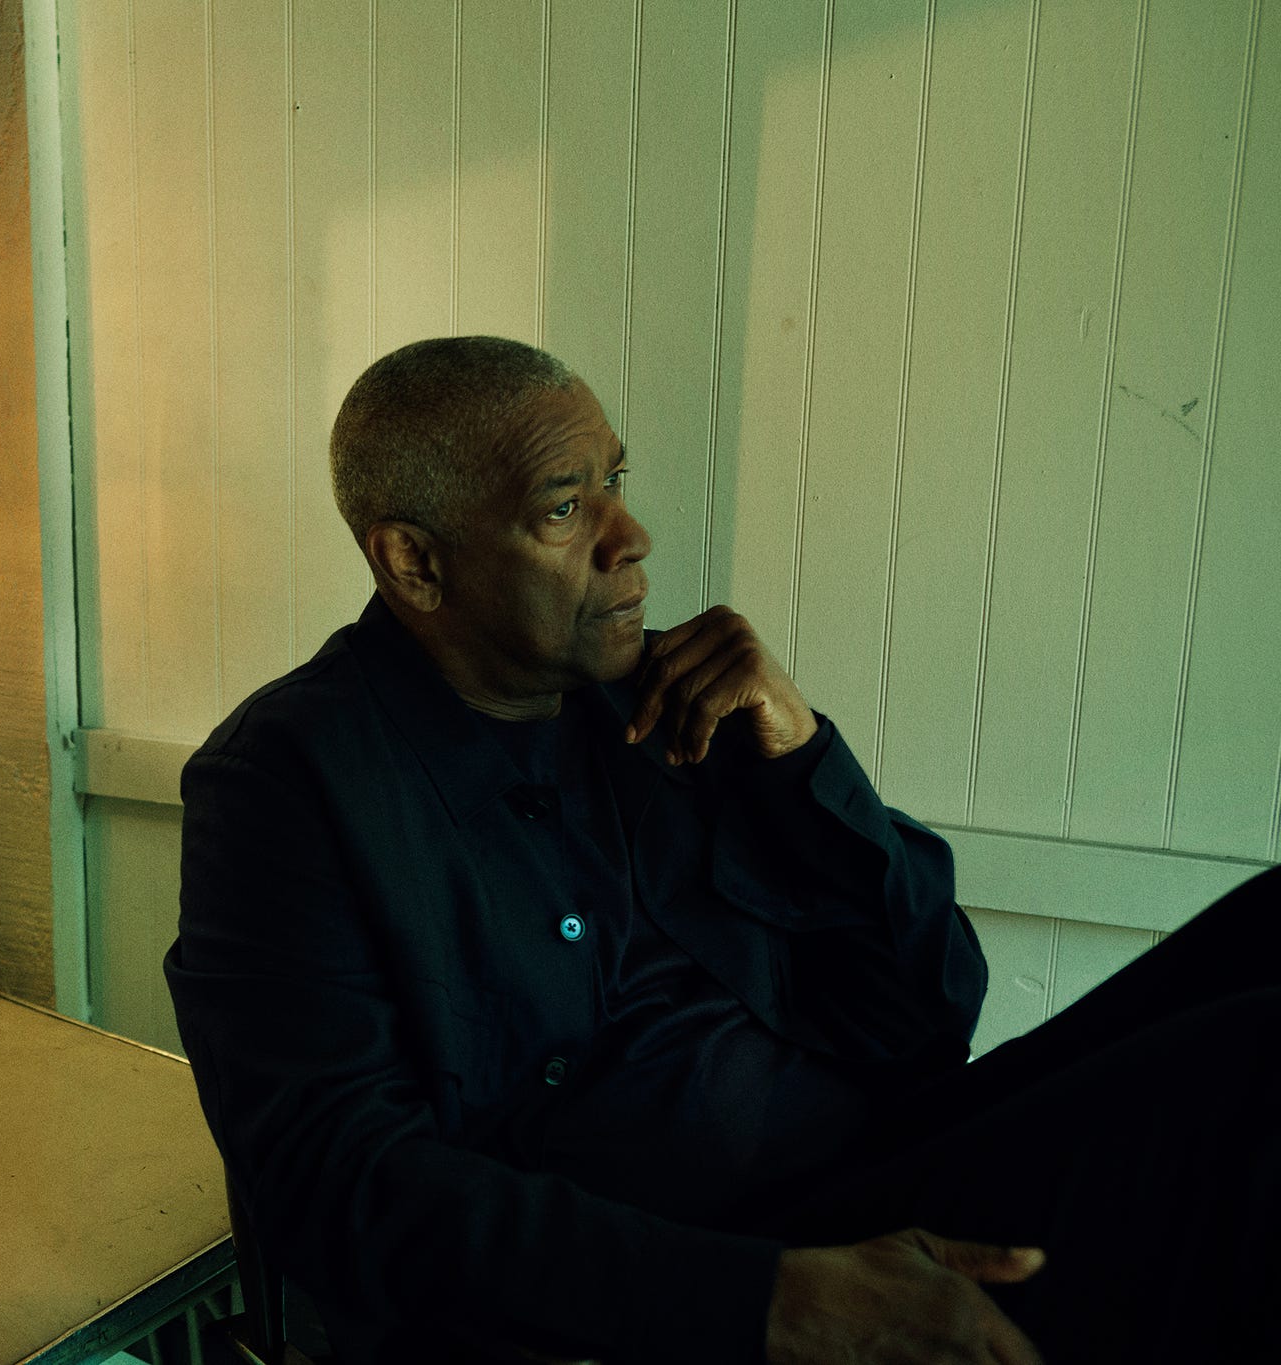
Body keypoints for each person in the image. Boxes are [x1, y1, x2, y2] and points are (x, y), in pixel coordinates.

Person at [165, 335, 1280, 1364]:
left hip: (883, 1169)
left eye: (614, 480)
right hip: (689, 1289)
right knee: (1253, 1065)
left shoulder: (667, 703)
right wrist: (766, 1300)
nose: (628, 535)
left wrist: (800, 760)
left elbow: (925, 1018)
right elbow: (334, 1179)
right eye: (563, 507)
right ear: (413, 563)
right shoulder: (287, 782)